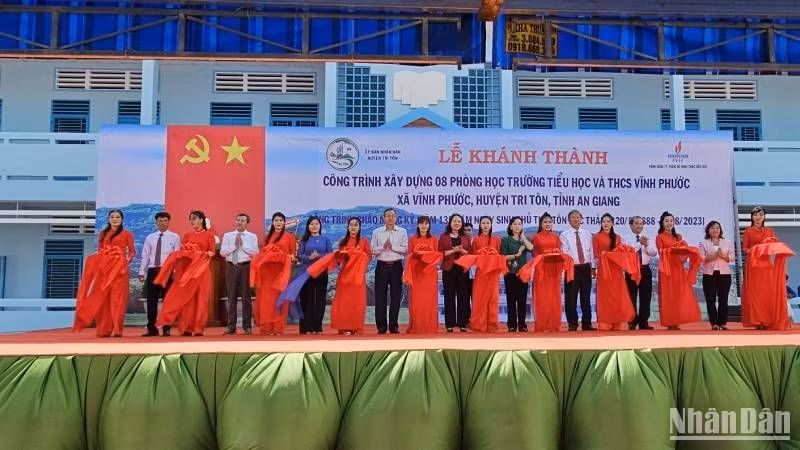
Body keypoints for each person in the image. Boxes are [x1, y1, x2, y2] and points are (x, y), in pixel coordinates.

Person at [73, 209, 135, 337]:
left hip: (119, 272)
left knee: (117, 300)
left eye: (117, 217)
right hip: (104, 271)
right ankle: (104, 329)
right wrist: (96, 255)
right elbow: (101, 250)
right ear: (108, 219)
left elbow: (132, 251)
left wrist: (127, 260)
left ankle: (117, 329)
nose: (115, 219)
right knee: (103, 300)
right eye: (112, 217)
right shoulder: (102, 233)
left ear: (122, 219)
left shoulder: (127, 234)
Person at [156, 210, 216, 336]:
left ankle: (198, 328)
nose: (192, 221)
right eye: (190, 219)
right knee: (187, 300)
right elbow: (183, 251)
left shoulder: (209, 235)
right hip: (188, 272)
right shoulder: (187, 235)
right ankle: (186, 328)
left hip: (202, 272)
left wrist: (201, 254)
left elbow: (212, 252)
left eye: (194, 218)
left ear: (201, 220)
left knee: (201, 299)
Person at [518, 212, 573, 332]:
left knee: (554, 298)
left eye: (549, 222)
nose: (547, 224)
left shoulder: (556, 237)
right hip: (541, 270)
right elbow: (534, 254)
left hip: (554, 270)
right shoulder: (535, 237)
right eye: (545, 222)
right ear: (541, 224)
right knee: (542, 298)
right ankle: (542, 325)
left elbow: (560, 252)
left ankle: (553, 325)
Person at [742, 206, 793, 330]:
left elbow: (774, 246)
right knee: (755, 294)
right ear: (752, 217)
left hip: (766, 264)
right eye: (755, 215)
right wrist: (756, 250)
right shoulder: (748, 231)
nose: (758, 217)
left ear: (764, 217)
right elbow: (745, 249)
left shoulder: (769, 231)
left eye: (760, 215)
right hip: (753, 265)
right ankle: (758, 321)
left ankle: (768, 320)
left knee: (767, 293)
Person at [456, 216, 506, 333]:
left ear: (491, 225)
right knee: (479, 299)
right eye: (483, 223)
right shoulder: (476, 240)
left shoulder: (497, 240)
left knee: (492, 299)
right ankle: (479, 324)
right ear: (480, 225)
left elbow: (500, 256)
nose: (485, 225)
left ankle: (492, 324)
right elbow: (473, 257)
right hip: (481, 273)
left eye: (487, 223)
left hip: (493, 274)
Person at [251, 212, 296, 335]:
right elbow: (263, 254)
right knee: (267, 300)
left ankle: (278, 328)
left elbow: (293, 255)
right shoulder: (267, 237)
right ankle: (267, 327)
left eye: (281, 220)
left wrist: (288, 257)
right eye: (276, 220)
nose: (278, 222)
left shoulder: (289, 237)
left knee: (280, 300)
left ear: (284, 222)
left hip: (282, 272)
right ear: (272, 222)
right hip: (268, 273)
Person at [655, 211, 702, 330]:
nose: (669, 223)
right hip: (666, 270)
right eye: (666, 221)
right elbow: (661, 252)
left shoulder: (678, 237)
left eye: (671, 220)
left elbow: (683, 254)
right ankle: (669, 321)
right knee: (668, 295)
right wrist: (672, 249)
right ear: (662, 223)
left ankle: (677, 320)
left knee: (678, 295)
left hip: (678, 269)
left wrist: (684, 249)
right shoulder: (659, 237)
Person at [325, 217, 371, 335]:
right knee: (344, 303)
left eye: (356, 225)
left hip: (357, 277)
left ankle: (356, 327)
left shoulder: (364, 241)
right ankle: (345, 327)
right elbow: (339, 260)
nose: (353, 227)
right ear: (348, 227)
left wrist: (358, 255)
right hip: (344, 277)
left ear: (359, 227)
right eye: (351, 225)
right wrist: (342, 255)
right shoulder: (342, 241)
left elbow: (368, 258)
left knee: (357, 303)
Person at [592, 213, 637, 331]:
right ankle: (605, 322)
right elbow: (595, 254)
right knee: (605, 296)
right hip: (604, 269)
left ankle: (618, 322)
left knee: (617, 295)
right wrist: (604, 255)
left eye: (608, 222)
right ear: (601, 224)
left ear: (612, 223)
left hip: (616, 269)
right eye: (603, 222)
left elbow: (621, 253)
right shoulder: (596, 237)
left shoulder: (617, 237)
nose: (606, 224)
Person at [138, 212, 180, 337]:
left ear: (169, 222)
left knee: (168, 301)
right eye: (160, 221)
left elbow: (176, 255)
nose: (162, 223)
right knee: (151, 300)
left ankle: (166, 328)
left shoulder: (175, 237)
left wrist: (174, 272)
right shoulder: (150, 237)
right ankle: (152, 328)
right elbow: (145, 255)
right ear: (156, 222)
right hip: (152, 270)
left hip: (167, 271)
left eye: (165, 220)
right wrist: (141, 271)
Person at [219, 213, 259, 335]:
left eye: (243, 220)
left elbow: (256, 252)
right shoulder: (228, 235)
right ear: (235, 221)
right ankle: (231, 326)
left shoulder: (252, 236)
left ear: (247, 223)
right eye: (238, 220)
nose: (240, 222)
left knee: (246, 297)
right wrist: (234, 246)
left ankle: (247, 326)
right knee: (232, 297)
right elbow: (222, 252)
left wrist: (243, 246)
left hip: (246, 266)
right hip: (231, 266)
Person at [370, 208, 408, 334]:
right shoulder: (377, 232)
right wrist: (383, 247)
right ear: (383, 218)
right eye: (388, 216)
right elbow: (373, 250)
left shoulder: (402, 232)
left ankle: (393, 326)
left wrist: (393, 247)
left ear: (396, 218)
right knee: (380, 297)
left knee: (396, 297)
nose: (390, 218)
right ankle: (381, 327)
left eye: (392, 216)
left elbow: (405, 249)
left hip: (397, 266)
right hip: (381, 266)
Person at [404, 216, 442, 334]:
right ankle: (417, 326)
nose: (424, 226)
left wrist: (429, 257)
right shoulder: (412, 240)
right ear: (418, 225)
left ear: (429, 225)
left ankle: (430, 327)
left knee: (429, 301)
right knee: (417, 301)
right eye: (422, 223)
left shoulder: (434, 239)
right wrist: (417, 255)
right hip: (417, 273)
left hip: (430, 274)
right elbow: (409, 257)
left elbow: (438, 256)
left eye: (426, 223)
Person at [560, 210, 595, 331]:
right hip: (572, 268)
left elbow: (591, 252)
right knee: (571, 297)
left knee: (586, 297)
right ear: (569, 220)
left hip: (586, 267)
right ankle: (572, 323)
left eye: (578, 217)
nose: (576, 219)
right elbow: (565, 253)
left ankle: (587, 323)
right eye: (573, 217)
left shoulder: (587, 234)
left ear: (581, 219)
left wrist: (593, 268)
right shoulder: (564, 235)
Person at [296, 216, 332, 334]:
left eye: (316, 223)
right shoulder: (304, 240)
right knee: (308, 299)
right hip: (307, 272)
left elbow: (330, 255)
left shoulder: (325, 239)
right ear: (308, 226)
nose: (314, 226)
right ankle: (307, 327)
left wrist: (319, 257)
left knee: (320, 299)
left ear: (320, 226)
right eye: (311, 224)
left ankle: (317, 327)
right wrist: (309, 257)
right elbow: (299, 255)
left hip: (322, 272)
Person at [698, 221, 734, 331]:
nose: (715, 230)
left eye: (717, 228)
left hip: (724, 274)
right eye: (712, 228)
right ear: (708, 230)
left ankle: (722, 322)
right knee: (710, 299)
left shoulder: (727, 242)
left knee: (723, 298)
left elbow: (732, 257)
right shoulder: (703, 243)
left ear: (720, 230)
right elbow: (702, 258)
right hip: (709, 274)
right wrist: (713, 256)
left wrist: (722, 255)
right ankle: (714, 323)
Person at [623, 216, 657, 330]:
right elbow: (629, 252)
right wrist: (640, 244)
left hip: (645, 269)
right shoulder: (625, 238)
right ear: (631, 225)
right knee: (631, 296)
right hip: (632, 270)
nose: (639, 226)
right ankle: (632, 321)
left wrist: (646, 244)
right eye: (636, 223)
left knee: (646, 296)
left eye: (641, 223)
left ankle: (644, 322)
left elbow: (653, 253)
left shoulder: (647, 238)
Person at [438, 214, 471, 332]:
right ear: (450, 223)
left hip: (462, 269)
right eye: (454, 221)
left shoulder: (466, 237)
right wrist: (453, 250)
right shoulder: (443, 237)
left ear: (461, 224)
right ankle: (450, 324)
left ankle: (463, 323)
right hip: (448, 269)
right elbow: (440, 253)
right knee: (449, 297)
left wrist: (461, 251)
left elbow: (470, 255)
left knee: (463, 297)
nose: (457, 223)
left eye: (459, 221)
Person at [501, 216, 533, 332]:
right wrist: (518, 254)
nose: (517, 226)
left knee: (522, 300)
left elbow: (531, 247)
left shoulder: (525, 239)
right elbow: (503, 257)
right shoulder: (505, 240)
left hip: (523, 273)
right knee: (511, 299)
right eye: (514, 224)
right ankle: (512, 325)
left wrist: (523, 237)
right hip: (510, 273)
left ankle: (522, 324)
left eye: (519, 224)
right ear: (510, 226)